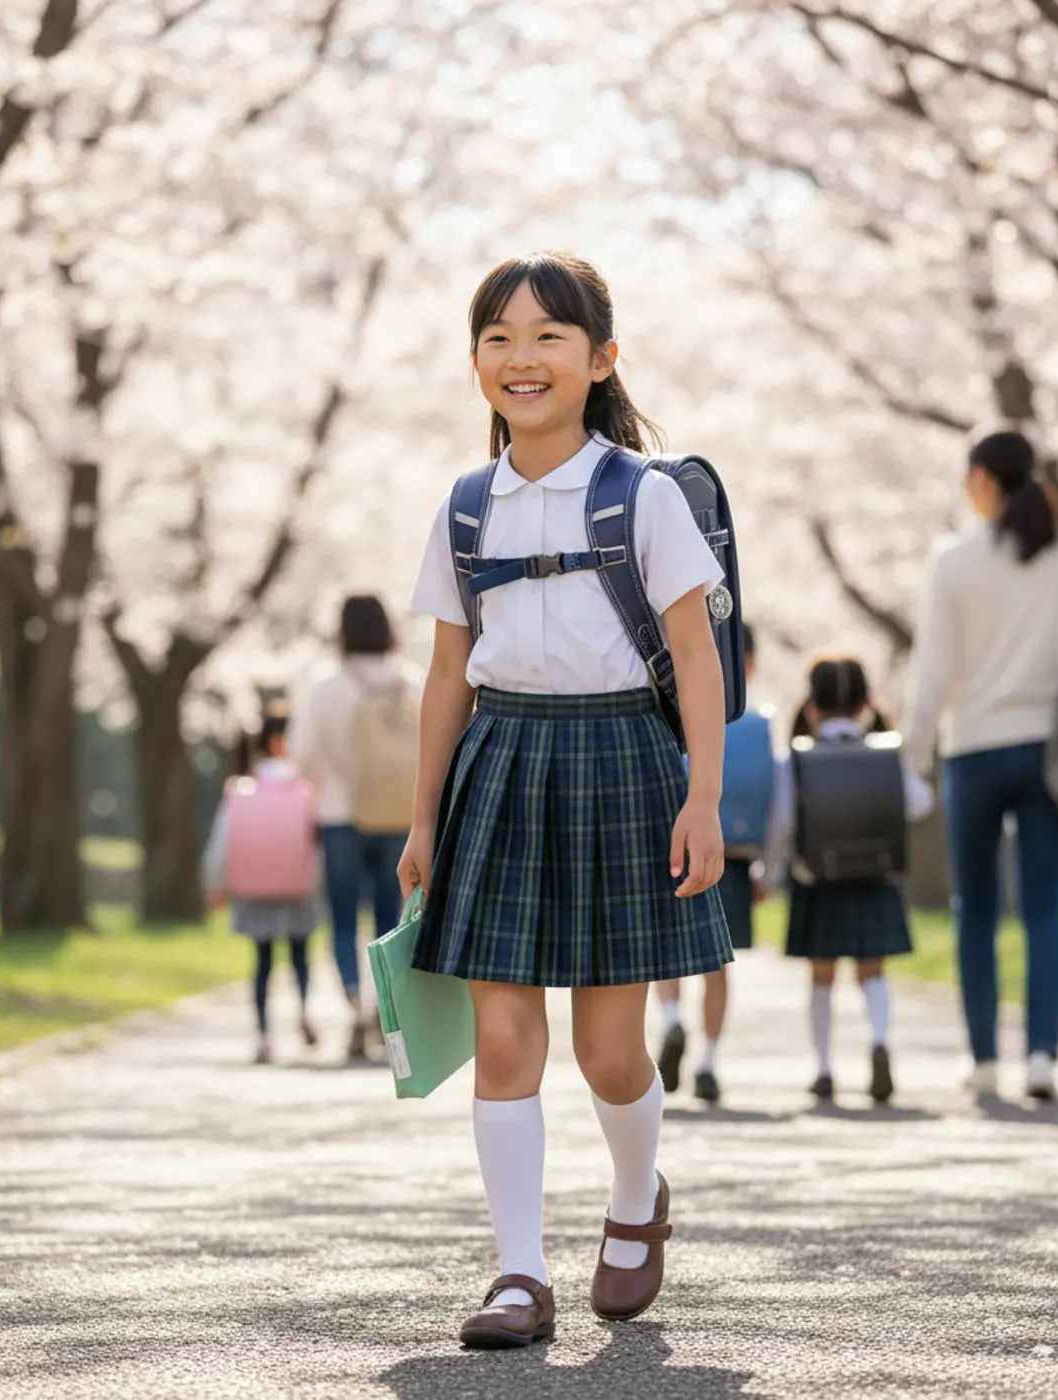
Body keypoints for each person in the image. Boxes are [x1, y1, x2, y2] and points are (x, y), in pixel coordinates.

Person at [399, 252, 733, 1349]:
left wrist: (703, 797)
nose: (522, 357)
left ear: (600, 358)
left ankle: (636, 1196)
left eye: (549, 335)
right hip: (498, 765)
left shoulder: (644, 496)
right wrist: (422, 819)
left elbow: (695, 653)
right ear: (475, 362)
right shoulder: (464, 509)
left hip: (620, 765)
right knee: (503, 1040)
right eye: (498, 337)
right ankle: (518, 1273)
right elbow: (446, 675)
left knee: (609, 1051)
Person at [904, 430, 1058, 1103]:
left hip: (973, 750)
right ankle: (1044, 1057)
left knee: (976, 909)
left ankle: (985, 1060)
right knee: (1045, 906)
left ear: (983, 480)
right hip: (1050, 750)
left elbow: (933, 670)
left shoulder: (952, 560)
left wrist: (914, 754)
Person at [766, 657, 933, 1104]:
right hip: (874, 875)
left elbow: (782, 822)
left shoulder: (795, 760)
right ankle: (878, 1040)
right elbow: (920, 802)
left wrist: (769, 871)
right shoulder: (887, 755)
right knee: (872, 970)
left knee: (821, 975)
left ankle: (824, 1068)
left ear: (811, 706)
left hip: (818, 879)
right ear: (865, 705)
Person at [289, 595, 422, 1061]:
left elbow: (301, 755)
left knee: (343, 919)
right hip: (399, 817)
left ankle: (353, 1003)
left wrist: (329, 784)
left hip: (340, 816)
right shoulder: (410, 681)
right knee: (390, 919)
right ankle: (385, 1010)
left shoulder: (326, 687)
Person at [655, 622, 772, 1106]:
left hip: (673, 846)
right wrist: (770, 866)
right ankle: (709, 1060)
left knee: (665, 952)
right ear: (750, 664)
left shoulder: (670, 712)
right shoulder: (757, 727)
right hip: (734, 853)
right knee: (717, 963)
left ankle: (671, 1020)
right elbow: (777, 801)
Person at [203, 708, 320, 1066]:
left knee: (263, 960)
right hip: (298, 884)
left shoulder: (241, 789)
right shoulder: (306, 788)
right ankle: (303, 1010)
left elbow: (222, 841)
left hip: (254, 887)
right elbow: (318, 844)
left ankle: (263, 1035)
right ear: (282, 740)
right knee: (300, 956)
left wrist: (215, 882)